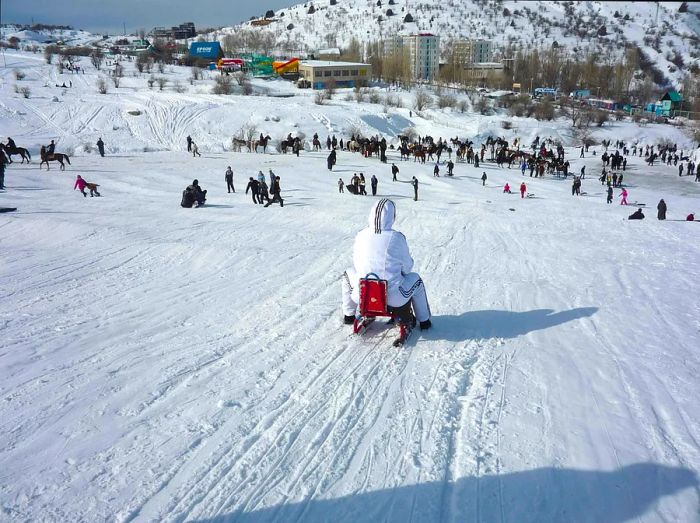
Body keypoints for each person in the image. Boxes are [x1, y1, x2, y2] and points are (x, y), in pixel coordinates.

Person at [341, 199, 432, 331]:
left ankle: (349, 315)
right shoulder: (397, 237)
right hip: (393, 297)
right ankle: (424, 321)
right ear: (392, 217)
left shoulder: (361, 235)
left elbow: (356, 262)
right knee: (416, 280)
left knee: (347, 274)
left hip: (363, 294)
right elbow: (407, 267)